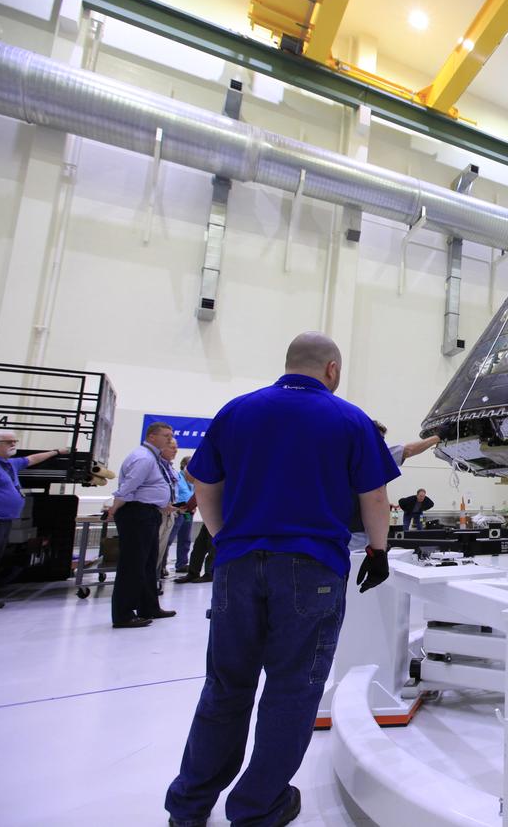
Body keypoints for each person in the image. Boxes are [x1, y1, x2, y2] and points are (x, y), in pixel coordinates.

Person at [165, 332, 399, 827]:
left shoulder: (237, 411)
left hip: (238, 564)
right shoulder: (350, 419)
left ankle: (189, 804)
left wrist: (225, 539)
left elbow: (204, 483)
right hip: (312, 566)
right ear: (332, 369)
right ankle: (258, 806)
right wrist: (378, 550)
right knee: (292, 688)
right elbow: (374, 498)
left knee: (225, 686)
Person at [107, 422, 177, 628]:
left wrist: (162, 504)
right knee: (133, 565)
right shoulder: (143, 458)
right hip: (137, 514)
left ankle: (148, 607)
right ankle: (123, 614)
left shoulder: (153, 458)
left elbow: (148, 487)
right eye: (166, 435)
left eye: (171, 435)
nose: (170, 440)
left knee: (147, 564)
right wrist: (114, 507)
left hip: (149, 513)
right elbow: (128, 487)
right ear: (152, 436)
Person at [0, 431, 68, 609]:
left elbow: (31, 459)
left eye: (15, 441)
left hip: (4, 520)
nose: (13, 444)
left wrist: (56, 452)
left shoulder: (9, 464)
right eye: (9, 442)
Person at [154, 438, 180, 582]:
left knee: (160, 550)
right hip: (158, 512)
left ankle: (153, 580)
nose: (175, 450)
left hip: (170, 512)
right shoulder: (154, 465)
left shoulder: (170, 467)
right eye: (172, 447)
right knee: (153, 550)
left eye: (176, 447)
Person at [171, 456, 196, 572]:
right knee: (170, 538)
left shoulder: (192, 480)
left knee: (185, 538)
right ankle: (161, 566)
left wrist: (194, 506)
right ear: (184, 466)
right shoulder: (177, 477)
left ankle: (182, 564)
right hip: (178, 511)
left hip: (188, 512)